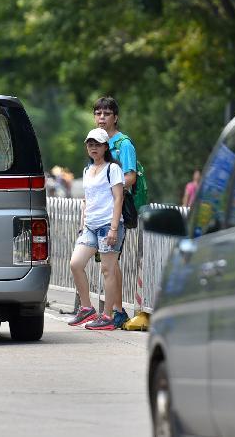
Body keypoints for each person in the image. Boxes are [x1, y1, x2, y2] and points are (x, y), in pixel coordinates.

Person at [67, 127, 126, 331]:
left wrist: (114, 228)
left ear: (105, 147)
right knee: (76, 263)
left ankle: (108, 316)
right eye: (90, 144)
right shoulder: (87, 170)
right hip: (90, 225)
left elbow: (119, 198)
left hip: (108, 225)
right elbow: (87, 200)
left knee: (108, 270)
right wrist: (83, 225)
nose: (93, 147)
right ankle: (86, 308)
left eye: (97, 144)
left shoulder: (113, 169)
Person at [92, 96, 135, 329]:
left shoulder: (123, 144)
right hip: (99, 213)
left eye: (106, 114)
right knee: (110, 263)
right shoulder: (95, 142)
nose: (101, 118)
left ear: (115, 118)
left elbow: (130, 176)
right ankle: (116, 310)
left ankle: (117, 311)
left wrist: (111, 188)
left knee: (111, 262)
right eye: (98, 113)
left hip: (116, 211)